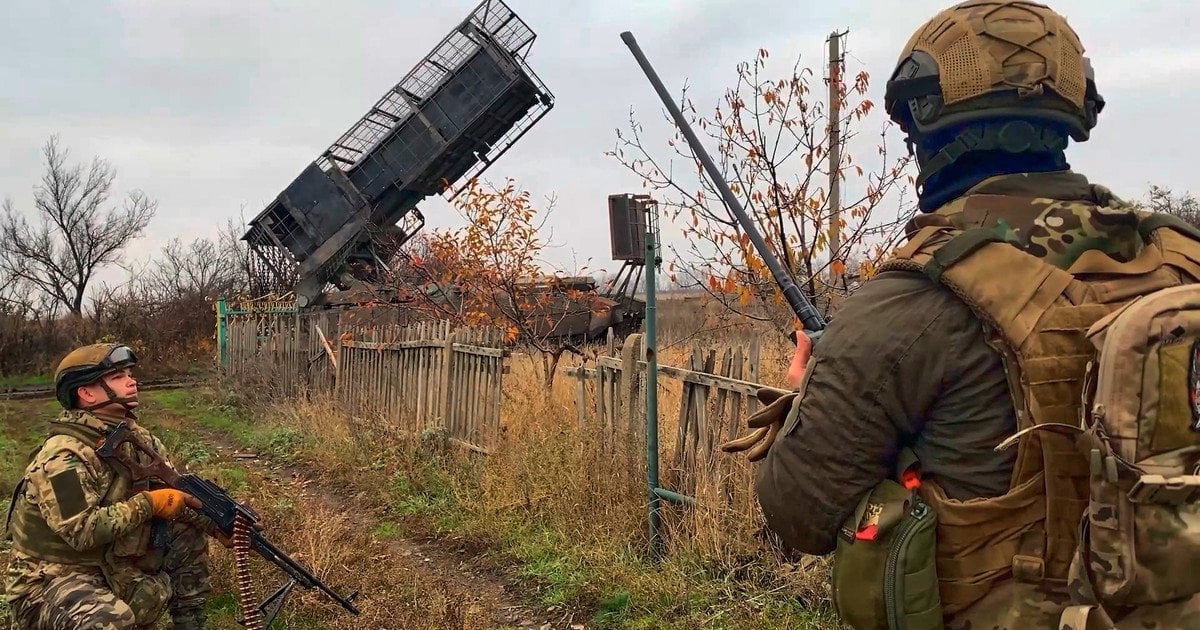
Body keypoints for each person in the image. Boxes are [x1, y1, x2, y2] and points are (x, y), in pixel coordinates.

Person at [722, 1, 1200, 628]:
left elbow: (798, 513)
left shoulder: (913, 302)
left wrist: (800, 393)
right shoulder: (1181, 258)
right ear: (1072, 113)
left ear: (925, 122)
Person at [4, 343, 216, 629]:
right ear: (86, 393)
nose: (132, 380)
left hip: (109, 566)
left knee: (186, 531)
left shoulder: (139, 440)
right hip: (49, 581)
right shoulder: (62, 457)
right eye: (118, 376)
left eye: (129, 373)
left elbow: (176, 496)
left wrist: (218, 524)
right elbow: (82, 531)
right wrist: (149, 504)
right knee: (110, 621)